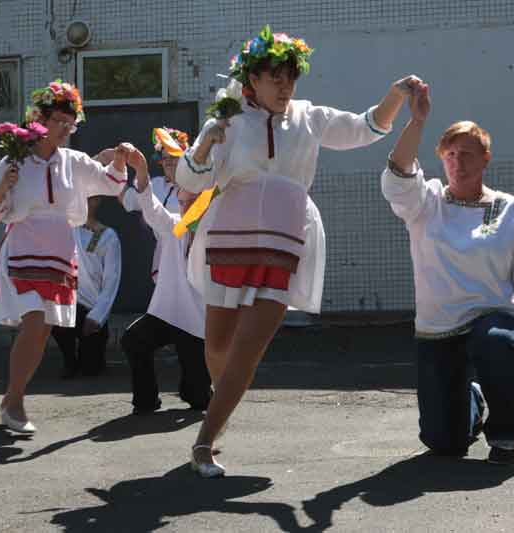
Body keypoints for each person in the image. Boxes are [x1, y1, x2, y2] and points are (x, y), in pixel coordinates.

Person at [175, 26, 415, 477]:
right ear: (252, 81)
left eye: (290, 78)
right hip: (229, 239)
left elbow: (366, 127)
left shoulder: (309, 116)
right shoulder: (228, 123)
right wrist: (206, 141)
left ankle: (204, 442)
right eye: (275, 78)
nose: (285, 87)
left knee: (249, 347)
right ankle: (222, 403)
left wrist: (396, 95)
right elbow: (190, 183)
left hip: (286, 240)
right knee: (218, 344)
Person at [381, 81, 514, 465]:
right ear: (441, 158)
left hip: (492, 316)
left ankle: (504, 435)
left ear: (486, 159)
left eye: (469, 154)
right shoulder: (425, 203)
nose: (459, 162)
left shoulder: (509, 210)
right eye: (451, 154)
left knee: (495, 341)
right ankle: (472, 400)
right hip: (437, 327)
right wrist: (417, 121)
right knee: (444, 443)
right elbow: (396, 177)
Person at [0, 79, 141, 433]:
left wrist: (120, 160)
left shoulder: (75, 161)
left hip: (61, 251)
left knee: (42, 329)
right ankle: (16, 401)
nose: (66, 129)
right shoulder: (15, 160)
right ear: (40, 119)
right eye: (60, 121)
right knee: (35, 321)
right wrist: (5, 185)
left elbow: (111, 185)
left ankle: (11, 398)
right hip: (23, 248)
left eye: (71, 122)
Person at [120, 150, 213, 414]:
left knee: (198, 400)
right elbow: (151, 209)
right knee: (133, 340)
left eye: (190, 199)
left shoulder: (215, 234)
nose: (183, 202)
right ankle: (146, 401)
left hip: (197, 323)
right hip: (166, 314)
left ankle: (198, 390)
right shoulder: (174, 227)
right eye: (182, 198)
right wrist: (140, 171)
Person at [50, 195, 121, 378]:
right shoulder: (65, 229)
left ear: (96, 202)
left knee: (91, 370)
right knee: (55, 320)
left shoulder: (106, 235)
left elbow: (111, 280)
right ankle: (69, 360)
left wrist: (97, 316)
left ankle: (94, 356)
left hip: (92, 310)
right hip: (68, 303)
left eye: (87, 198)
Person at [121, 127, 189, 283]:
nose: (169, 162)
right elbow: (128, 199)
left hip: (191, 252)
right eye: (165, 158)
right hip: (165, 255)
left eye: (174, 157)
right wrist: (113, 174)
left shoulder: (195, 186)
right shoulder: (156, 185)